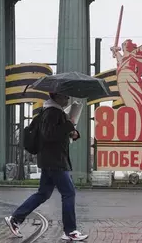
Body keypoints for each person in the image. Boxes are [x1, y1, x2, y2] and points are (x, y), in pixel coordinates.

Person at [5, 92, 88, 241]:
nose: (67, 98)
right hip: (55, 161)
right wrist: (69, 124)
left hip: (49, 160)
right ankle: (70, 231)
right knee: (68, 193)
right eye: (65, 96)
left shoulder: (50, 111)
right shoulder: (52, 112)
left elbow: (53, 134)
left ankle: (16, 218)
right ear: (56, 97)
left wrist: (72, 133)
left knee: (43, 193)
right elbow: (49, 135)